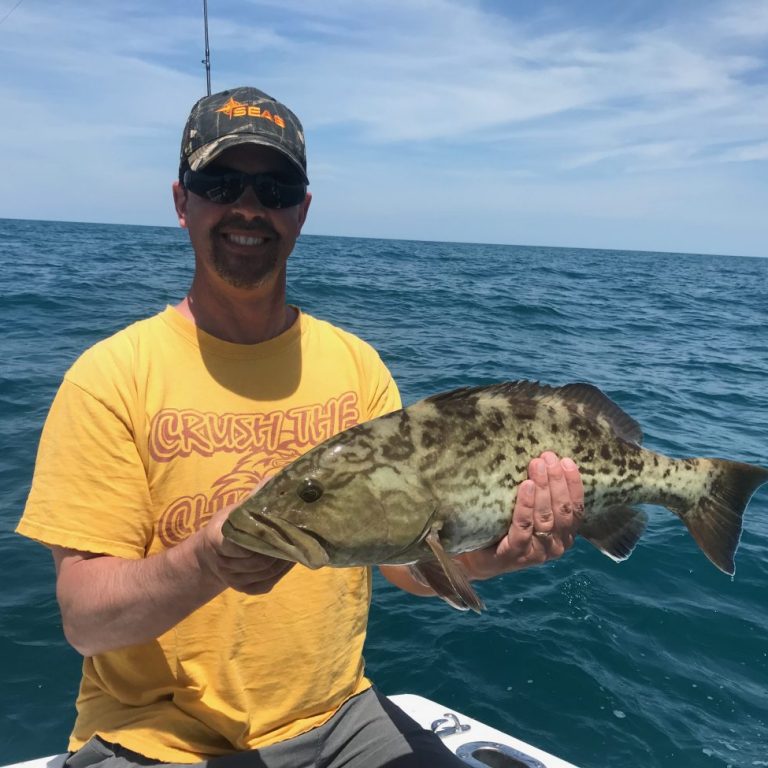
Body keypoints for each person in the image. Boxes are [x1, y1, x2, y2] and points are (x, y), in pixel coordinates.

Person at [17, 86, 584, 768]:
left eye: (276, 188)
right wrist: (206, 561)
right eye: (220, 182)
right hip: (153, 742)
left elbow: (401, 557)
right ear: (181, 201)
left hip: (341, 721)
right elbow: (84, 621)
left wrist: (490, 556)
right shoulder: (110, 377)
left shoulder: (356, 365)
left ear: (302, 212)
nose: (249, 206)